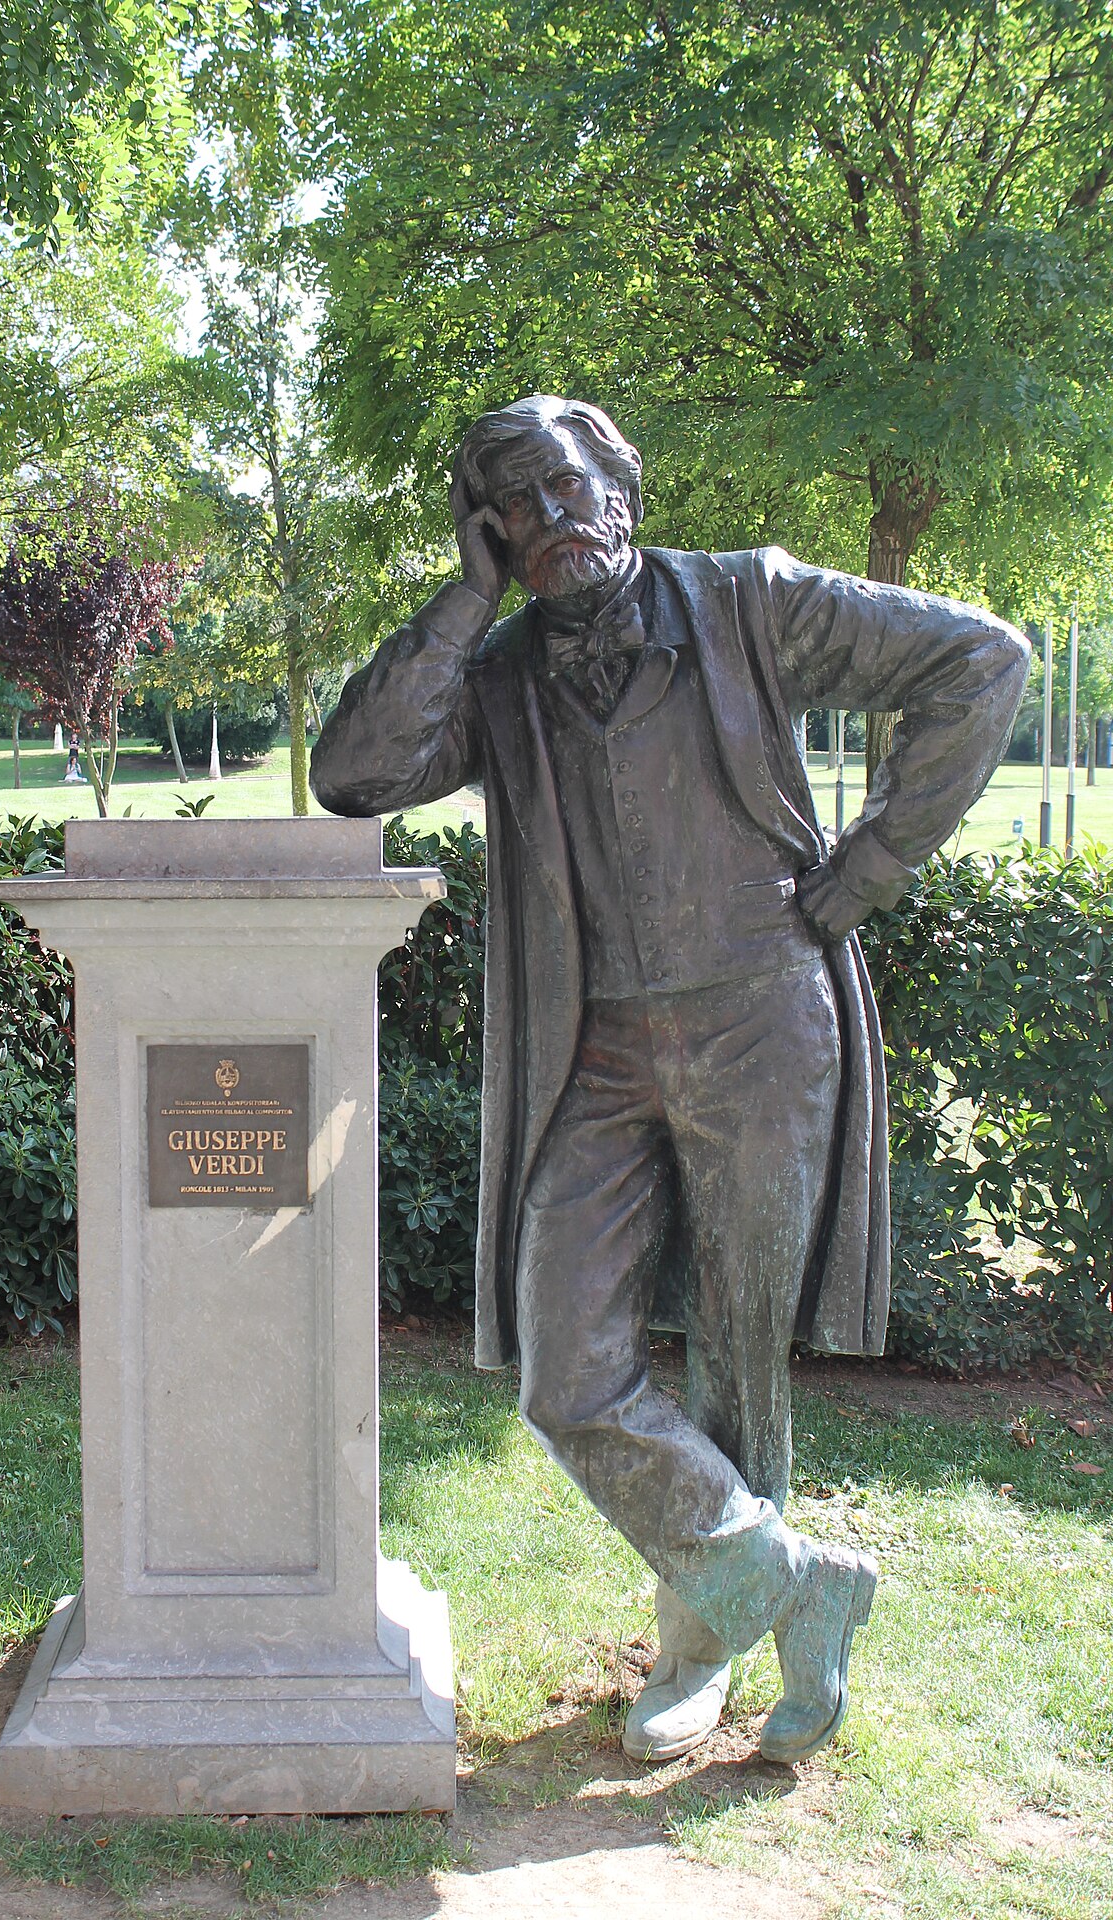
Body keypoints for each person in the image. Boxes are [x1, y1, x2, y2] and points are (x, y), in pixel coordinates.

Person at [310, 395, 1029, 1766]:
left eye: (566, 483)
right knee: (565, 1368)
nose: (548, 518)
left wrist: (868, 868)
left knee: (737, 1356)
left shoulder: (750, 603)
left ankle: (701, 1656)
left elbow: (983, 662)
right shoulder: (504, 673)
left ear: (620, 487)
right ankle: (793, 1585)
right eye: (510, 504)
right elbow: (354, 774)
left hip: (764, 1016)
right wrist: (463, 610)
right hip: (596, 1046)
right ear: (490, 532)